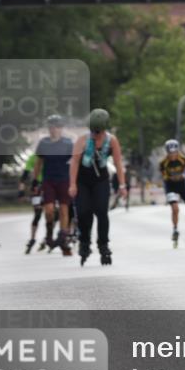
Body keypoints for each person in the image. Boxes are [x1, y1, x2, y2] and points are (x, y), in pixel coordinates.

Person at [68, 109, 126, 266]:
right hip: (83, 182)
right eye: (93, 130)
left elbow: (119, 163)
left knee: (101, 212)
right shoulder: (82, 140)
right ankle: (85, 243)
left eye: (98, 131)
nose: (95, 134)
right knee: (83, 212)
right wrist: (72, 184)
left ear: (105, 128)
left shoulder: (111, 140)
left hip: (101, 181)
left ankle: (103, 244)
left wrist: (122, 184)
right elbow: (74, 162)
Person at [32, 114, 74, 255]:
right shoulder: (44, 143)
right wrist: (35, 181)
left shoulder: (68, 144)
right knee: (49, 211)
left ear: (61, 128)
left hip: (64, 180)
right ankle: (49, 232)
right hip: (48, 180)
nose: (53, 129)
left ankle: (63, 238)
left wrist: (75, 181)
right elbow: (38, 163)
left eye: (56, 126)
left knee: (63, 210)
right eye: (51, 127)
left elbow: (75, 163)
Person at [19, 152, 44, 254]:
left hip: (50, 185)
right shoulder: (32, 157)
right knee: (37, 213)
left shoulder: (51, 156)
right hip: (37, 186)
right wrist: (20, 191)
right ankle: (32, 238)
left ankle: (48, 237)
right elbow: (24, 175)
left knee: (53, 212)